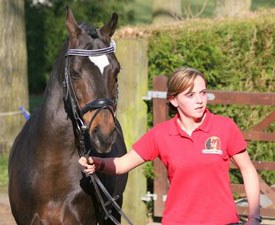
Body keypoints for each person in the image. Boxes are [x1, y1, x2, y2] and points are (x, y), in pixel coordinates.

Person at [79, 67, 261, 225]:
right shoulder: (161, 134)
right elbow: (121, 165)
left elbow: (248, 171)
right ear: (174, 100)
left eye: (203, 92)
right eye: (190, 95)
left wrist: (254, 218)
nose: (199, 100)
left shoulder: (225, 127)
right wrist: (97, 163)